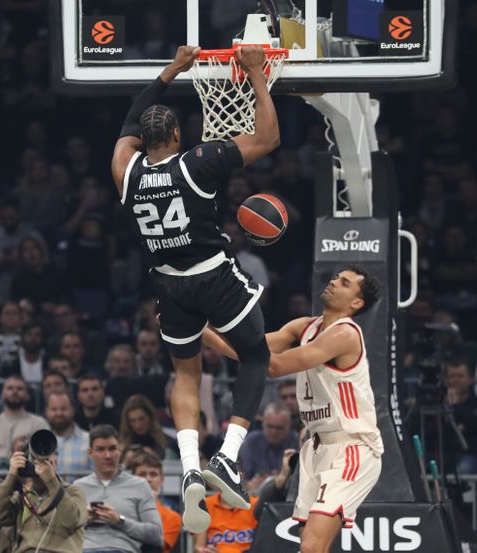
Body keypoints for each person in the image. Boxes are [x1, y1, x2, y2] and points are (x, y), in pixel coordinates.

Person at [111, 44, 280, 532]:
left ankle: (189, 466)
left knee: (186, 374)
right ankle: (226, 456)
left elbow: (129, 119)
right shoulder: (198, 162)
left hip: (168, 285)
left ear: (141, 139)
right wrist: (256, 74)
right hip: (212, 275)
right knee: (255, 355)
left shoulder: (125, 170)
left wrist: (172, 70)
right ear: (178, 135)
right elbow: (268, 138)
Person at [204, 266, 383, 553]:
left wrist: (203, 332)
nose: (334, 282)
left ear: (356, 303)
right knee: (311, 546)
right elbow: (252, 348)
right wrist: (202, 330)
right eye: (336, 277)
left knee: (311, 546)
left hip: (351, 447)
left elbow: (274, 367)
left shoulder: (345, 334)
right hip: (317, 447)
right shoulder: (304, 327)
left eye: (345, 283)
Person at [0, 434, 87, 553]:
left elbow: (72, 521)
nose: (40, 463)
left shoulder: (73, 491)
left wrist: (51, 481)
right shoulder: (23, 496)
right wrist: (11, 477)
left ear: (55, 460)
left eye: (46, 459)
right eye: (33, 460)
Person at [74, 425, 163, 553]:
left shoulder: (139, 485)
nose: (108, 456)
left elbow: (156, 535)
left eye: (112, 449)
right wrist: (83, 519)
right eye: (100, 450)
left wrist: (119, 520)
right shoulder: (78, 486)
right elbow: (61, 532)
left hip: (121, 549)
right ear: (90, 453)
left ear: (119, 450)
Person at [0, 376, 49, 464]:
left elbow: (45, 456)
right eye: (10, 388)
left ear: (27, 395)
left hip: (26, 470)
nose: (14, 391)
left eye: (19, 389)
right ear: (2, 394)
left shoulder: (39, 424)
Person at [129, 451, 182, 553]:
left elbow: (155, 547)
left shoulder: (172, 517)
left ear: (161, 480)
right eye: (142, 474)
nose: (148, 479)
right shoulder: (122, 509)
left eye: (153, 474)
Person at [239, 403, 298, 482]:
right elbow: (244, 477)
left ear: (289, 426)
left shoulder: (297, 441)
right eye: (270, 426)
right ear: (263, 423)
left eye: (279, 428)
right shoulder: (252, 441)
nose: (274, 432)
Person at [44, 391, 91, 476]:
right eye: (54, 409)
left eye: (63, 409)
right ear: (46, 411)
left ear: (72, 410)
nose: (59, 413)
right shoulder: (38, 442)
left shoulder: (89, 440)